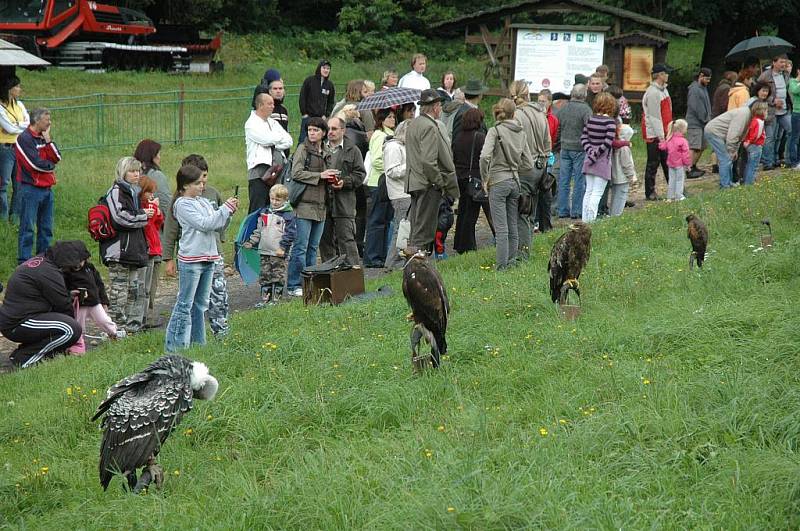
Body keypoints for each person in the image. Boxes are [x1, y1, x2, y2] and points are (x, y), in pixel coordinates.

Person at [165, 165, 238, 352]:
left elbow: (217, 224)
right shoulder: (182, 204)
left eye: (202, 182)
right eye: (197, 183)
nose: (201, 186)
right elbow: (204, 224)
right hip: (191, 260)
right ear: (185, 185)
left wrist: (228, 213)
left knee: (200, 305)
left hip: (209, 257)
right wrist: (224, 210)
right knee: (185, 304)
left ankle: (198, 344)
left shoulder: (203, 202)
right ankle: (175, 346)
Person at [0, 240, 83, 368]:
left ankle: (23, 353)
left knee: (66, 324)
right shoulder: (49, 271)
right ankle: (26, 360)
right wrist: (75, 342)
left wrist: (67, 295)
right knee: (71, 329)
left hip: (16, 319)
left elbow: (49, 294)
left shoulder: (42, 261)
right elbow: (63, 306)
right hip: (17, 322)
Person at [479, 98, 533, 270]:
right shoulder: (521, 132)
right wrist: (516, 168)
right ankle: (511, 261)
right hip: (515, 181)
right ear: (514, 113)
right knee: (513, 225)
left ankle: (501, 266)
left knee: (501, 228)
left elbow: (484, 156)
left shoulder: (495, 131)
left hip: (498, 180)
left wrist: (484, 177)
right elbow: (529, 163)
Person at [101, 157, 151, 334]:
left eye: (138, 171)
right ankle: (113, 331)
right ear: (123, 172)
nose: (136, 174)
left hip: (133, 252)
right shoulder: (116, 192)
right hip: (118, 252)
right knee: (118, 294)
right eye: (132, 171)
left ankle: (127, 330)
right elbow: (120, 218)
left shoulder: (133, 193)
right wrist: (143, 215)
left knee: (133, 291)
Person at [286, 117, 336, 297]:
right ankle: (293, 284)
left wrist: (332, 179)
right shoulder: (302, 149)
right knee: (300, 246)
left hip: (321, 205)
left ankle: (309, 281)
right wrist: (320, 175)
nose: (312, 133)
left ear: (323, 133)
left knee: (313, 248)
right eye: (310, 130)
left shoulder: (327, 150)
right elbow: (296, 173)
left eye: (316, 130)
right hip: (304, 204)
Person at [404, 89, 459, 253]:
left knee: (417, 227)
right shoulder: (429, 126)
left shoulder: (414, 123)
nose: (440, 109)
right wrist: (439, 182)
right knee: (424, 232)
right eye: (439, 106)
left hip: (414, 181)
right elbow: (429, 161)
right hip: (427, 184)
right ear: (435, 107)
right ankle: (418, 271)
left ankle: (415, 268)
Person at [509, 80, 550, 260]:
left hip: (525, 167)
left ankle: (522, 255)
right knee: (531, 211)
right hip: (541, 166)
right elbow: (548, 142)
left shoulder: (516, 116)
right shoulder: (540, 113)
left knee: (522, 214)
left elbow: (515, 146)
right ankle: (526, 248)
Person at [14, 107, 60, 264]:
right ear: (37, 120)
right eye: (47, 119)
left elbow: (57, 157)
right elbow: (33, 164)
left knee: (46, 228)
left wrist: (48, 140)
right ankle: (24, 261)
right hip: (30, 189)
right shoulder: (24, 139)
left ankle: (43, 260)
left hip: (47, 189)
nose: (49, 122)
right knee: (27, 228)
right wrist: (50, 166)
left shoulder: (43, 138)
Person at [63, 241, 125, 355]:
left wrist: (104, 301)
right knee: (78, 326)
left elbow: (99, 284)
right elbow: (63, 289)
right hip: (79, 305)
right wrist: (71, 294)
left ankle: (114, 334)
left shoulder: (89, 268)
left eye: (80, 261)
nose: (77, 265)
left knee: (104, 320)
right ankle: (76, 345)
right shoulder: (66, 273)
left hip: (94, 303)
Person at [319, 116, 366, 266]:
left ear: (343, 130)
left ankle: (353, 275)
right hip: (323, 203)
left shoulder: (353, 150)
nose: (330, 132)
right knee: (325, 242)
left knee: (347, 240)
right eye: (329, 129)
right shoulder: (319, 149)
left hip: (344, 203)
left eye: (334, 129)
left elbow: (360, 175)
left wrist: (344, 182)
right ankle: (329, 275)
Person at [133, 138, 169, 323]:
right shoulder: (157, 177)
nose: (160, 158)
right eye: (159, 154)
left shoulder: (134, 175)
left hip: (137, 240)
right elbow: (165, 202)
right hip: (154, 237)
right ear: (153, 156)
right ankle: (147, 315)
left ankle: (139, 315)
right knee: (150, 281)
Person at [243, 184, 296, 304]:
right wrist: (251, 242)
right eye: (272, 199)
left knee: (277, 274)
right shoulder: (265, 213)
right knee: (265, 275)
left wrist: (283, 247)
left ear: (285, 200)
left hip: (278, 252)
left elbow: (290, 234)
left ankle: (276, 299)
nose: (275, 202)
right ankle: (265, 299)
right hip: (264, 250)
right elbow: (259, 230)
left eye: (278, 200)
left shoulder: (288, 216)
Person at [452, 107, 493, 255]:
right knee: (476, 214)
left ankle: (460, 243)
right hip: (476, 179)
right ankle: (469, 245)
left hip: (460, 178)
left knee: (463, 212)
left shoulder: (458, 137)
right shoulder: (480, 137)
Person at [245, 92, 293, 214]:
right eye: (269, 104)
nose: (273, 106)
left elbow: (288, 141)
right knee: (257, 209)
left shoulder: (273, 122)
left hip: (276, 171)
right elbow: (265, 140)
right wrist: (276, 139)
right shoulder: (251, 124)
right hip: (258, 172)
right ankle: (251, 233)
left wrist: (274, 141)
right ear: (260, 105)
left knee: (273, 208)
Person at [363, 108, 396, 267]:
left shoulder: (390, 134)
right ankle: (372, 256)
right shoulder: (379, 135)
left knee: (385, 220)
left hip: (385, 183)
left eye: (393, 117)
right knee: (377, 220)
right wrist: (391, 167)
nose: (392, 119)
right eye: (389, 117)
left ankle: (381, 254)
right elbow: (376, 159)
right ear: (382, 119)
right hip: (378, 182)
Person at [555, 84, 591, 218]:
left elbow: (558, 127)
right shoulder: (586, 109)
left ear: (572, 93)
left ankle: (562, 210)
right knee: (579, 181)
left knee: (564, 180)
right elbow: (590, 128)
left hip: (565, 147)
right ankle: (576, 211)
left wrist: (558, 143)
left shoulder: (564, 108)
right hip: (580, 149)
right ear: (584, 95)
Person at [580, 92, 617, 222]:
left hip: (588, 159)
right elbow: (608, 142)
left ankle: (585, 220)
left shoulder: (591, 119)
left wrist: (590, 151)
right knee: (597, 193)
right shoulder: (611, 122)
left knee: (588, 191)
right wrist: (596, 154)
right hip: (602, 161)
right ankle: (591, 221)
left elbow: (584, 137)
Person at [383, 119, 413, 269]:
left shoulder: (403, 146)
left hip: (407, 192)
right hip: (400, 194)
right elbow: (391, 171)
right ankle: (391, 263)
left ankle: (401, 260)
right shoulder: (393, 147)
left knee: (406, 229)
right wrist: (411, 165)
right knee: (400, 229)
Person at [642, 64, 673, 201]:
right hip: (655, 134)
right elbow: (655, 117)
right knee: (653, 163)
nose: (668, 76)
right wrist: (661, 136)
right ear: (660, 75)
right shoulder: (653, 93)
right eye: (666, 73)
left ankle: (674, 188)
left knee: (668, 161)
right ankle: (650, 192)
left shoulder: (663, 90)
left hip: (665, 132)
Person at [0, 75, 28, 223]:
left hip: (19, 148)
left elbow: (28, 122)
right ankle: (3, 216)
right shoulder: (0, 106)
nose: (19, 89)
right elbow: (8, 128)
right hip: (5, 149)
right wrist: (19, 126)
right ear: (9, 89)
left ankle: (15, 216)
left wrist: (16, 126)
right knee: (3, 184)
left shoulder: (20, 105)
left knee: (20, 183)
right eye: (17, 86)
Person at [704, 104, 753, 189]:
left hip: (719, 133)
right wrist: (731, 151)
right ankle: (725, 186)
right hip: (714, 132)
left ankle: (728, 182)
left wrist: (735, 151)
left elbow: (740, 136)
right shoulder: (743, 115)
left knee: (728, 159)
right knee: (725, 159)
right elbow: (733, 136)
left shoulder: (748, 116)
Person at [137, 175, 164, 324]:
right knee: (144, 286)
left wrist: (157, 211)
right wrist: (154, 209)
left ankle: (146, 316)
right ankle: (141, 317)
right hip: (146, 250)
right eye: (149, 192)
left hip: (154, 249)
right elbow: (148, 222)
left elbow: (158, 221)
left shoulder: (150, 206)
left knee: (149, 286)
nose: (151, 195)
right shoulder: (142, 208)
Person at [758, 54, 792, 170]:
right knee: (770, 137)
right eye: (781, 62)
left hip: (784, 110)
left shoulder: (786, 74)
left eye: (785, 62)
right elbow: (758, 93)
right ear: (774, 62)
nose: (783, 64)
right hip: (770, 111)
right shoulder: (765, 76)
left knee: (791, 131)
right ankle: (768, 162)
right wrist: (773, 101)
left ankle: (787, 159)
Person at [298, 60, 335, 143]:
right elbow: (302, 97)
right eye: (324, 68)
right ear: (319, 68)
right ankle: (298, 155)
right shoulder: (309, 81)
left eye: (328, 68)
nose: (326, 70)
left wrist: (326, 115)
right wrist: (304, 114)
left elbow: (331, 101)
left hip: (321, 118)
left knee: (320, 141)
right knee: (303, 140)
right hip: (308, 117)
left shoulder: (329, 85)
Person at [686, 68, 712, 178]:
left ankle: (694, 165)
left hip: (704, 123)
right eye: (706, 79)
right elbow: (695, 106)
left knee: (702, 146)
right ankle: (688, 169)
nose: (708, 81)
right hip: (695, 123)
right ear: (701, 76)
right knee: (694, 146)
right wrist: (705, 118)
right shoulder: (694, 89)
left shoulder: (703, 88)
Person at [659, 120, 692, 201]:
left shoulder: (669, 139)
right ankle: (679, 195)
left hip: (671, 163)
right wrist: (687, 164)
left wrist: (662, 140)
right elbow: (685, 154)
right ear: (682, 130)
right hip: (680, 164)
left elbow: (662, 147)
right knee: (680, 180)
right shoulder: (683, 141)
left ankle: (670, 196)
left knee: (672, 180)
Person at [609, 123, 636, 216]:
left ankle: (612, 213)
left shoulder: (616, 145)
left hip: (615, 175)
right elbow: (626, 164)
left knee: (615, 196)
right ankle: (616, 215)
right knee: (620, 197)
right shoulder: (624, 147)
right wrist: (631, 175)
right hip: (622, 177)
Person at [742, 102, 768, 184]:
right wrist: (750, 141)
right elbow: (756, 135)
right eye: (766, 110)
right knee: (754, 165)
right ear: (762, 111)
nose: (767, 112)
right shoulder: (759, 121)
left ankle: (746, 180)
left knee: (749, 164)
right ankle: (749, 182)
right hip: (755, 145)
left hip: (750, 145)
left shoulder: (753, 120)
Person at [788, 66, 800, 169]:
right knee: (795, 138)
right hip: (797, 113)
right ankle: (794, 162)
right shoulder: (792, 81)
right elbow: (794, 91)